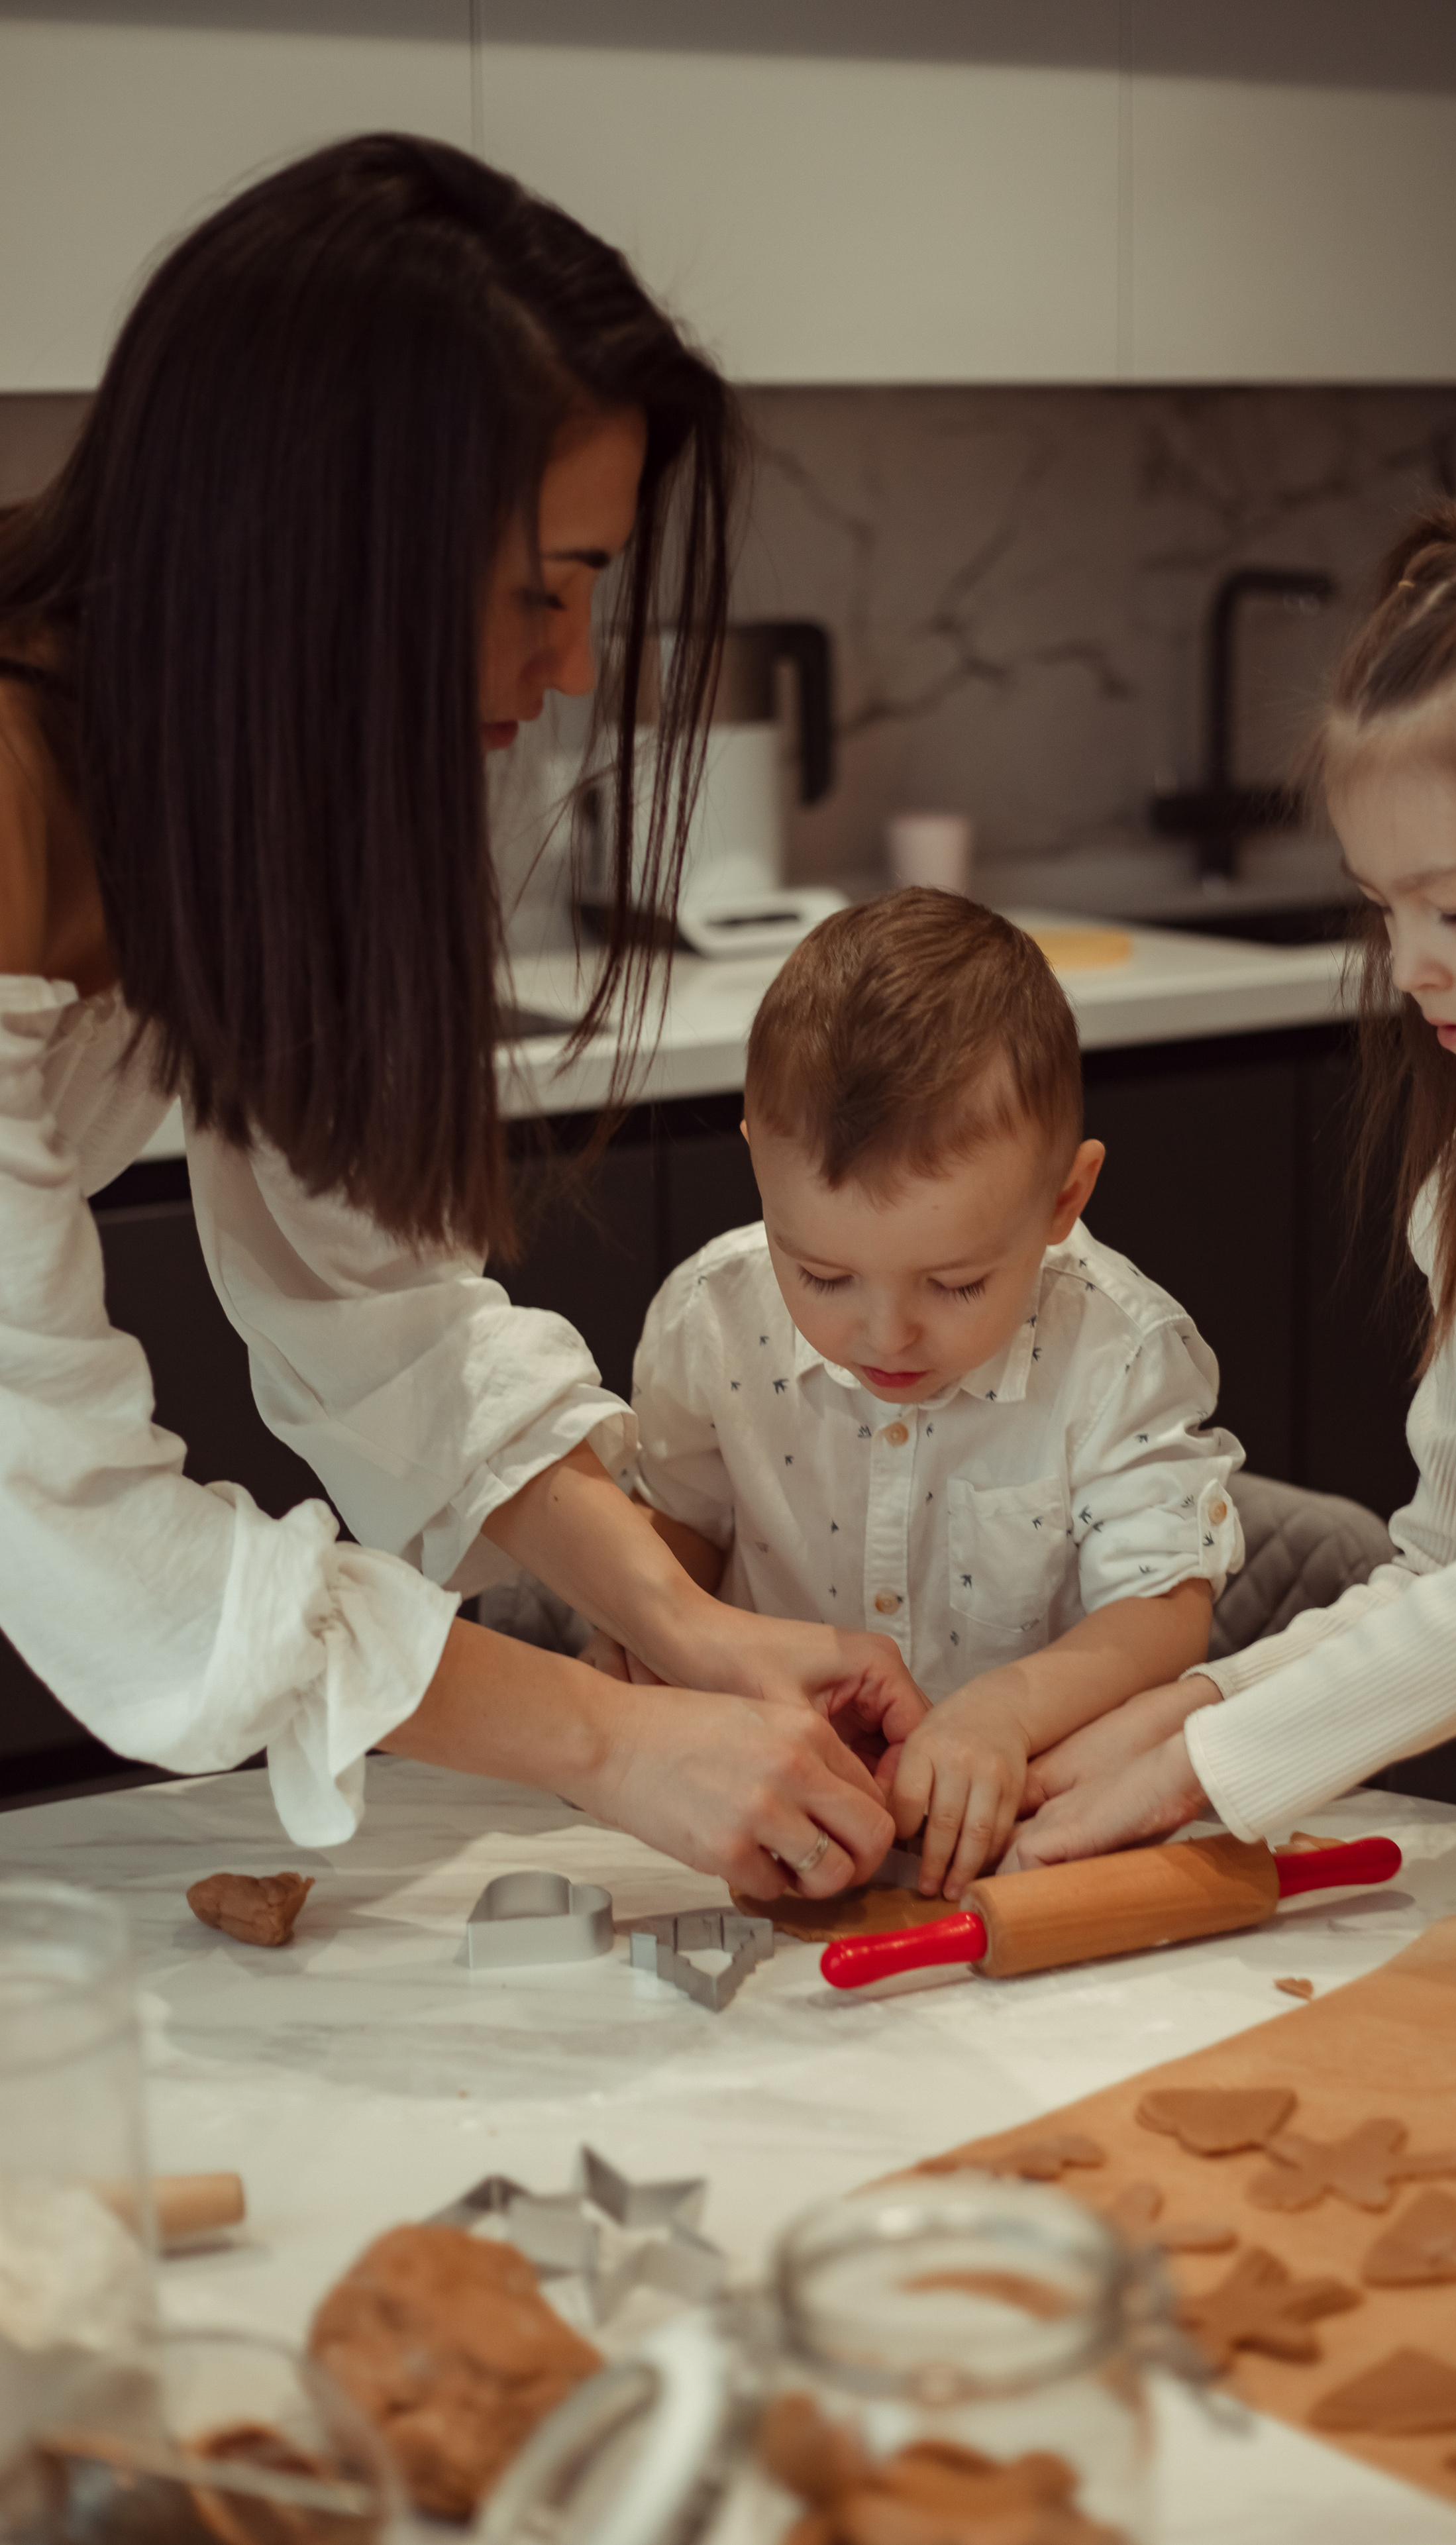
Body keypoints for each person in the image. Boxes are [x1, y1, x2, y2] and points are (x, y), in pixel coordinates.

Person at [0, 133, 923, 1896]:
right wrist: (611, 1740)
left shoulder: (222, 767)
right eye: (540, 588)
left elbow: (379, 1312)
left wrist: (680, 1625)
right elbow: (75, 1529)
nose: (571, 668)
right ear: (321, 547)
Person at [1003, 488, 1456, 1882]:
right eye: (1384, 909)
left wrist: (1201, 1767)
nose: (1408, 964)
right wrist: (1191, 1706)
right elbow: (1450, 1563)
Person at [588, 890, 1244, 1897]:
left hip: (1027, 1843)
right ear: (759, 1161)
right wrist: (638, 1640)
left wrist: (1005, 1713)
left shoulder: (1118, 1352)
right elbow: (684, 1535)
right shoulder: (709, 1319)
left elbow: (1163, 1612)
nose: (886, 1334)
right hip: (771, 1825)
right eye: (824, 1275)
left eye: (956, 1285)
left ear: (1065, 1197)